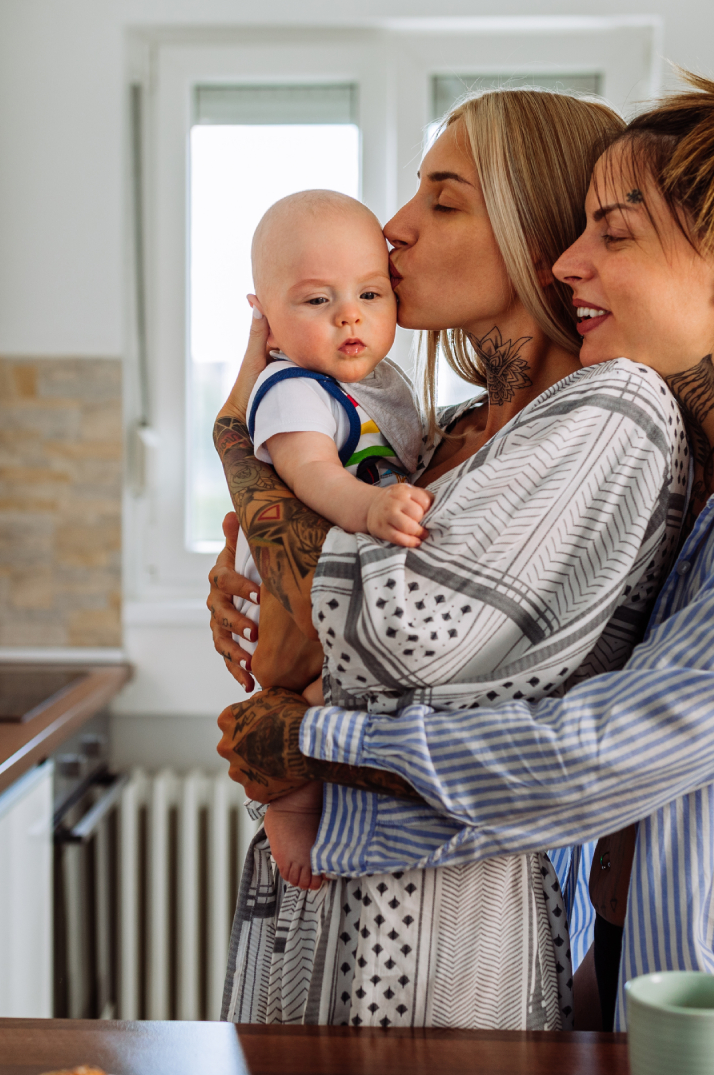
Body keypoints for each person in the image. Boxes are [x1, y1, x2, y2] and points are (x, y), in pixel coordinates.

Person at [211, 44, 714, 1075]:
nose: (566, 262)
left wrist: (319, 739)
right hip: (641, 1013)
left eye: (612, 235)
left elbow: (603, 753)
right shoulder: (694, 476)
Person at [210, 89, 692, 1030]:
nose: (393, 229)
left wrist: (241, 448)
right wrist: (263, 576)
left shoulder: (606, 414)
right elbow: (314, 630)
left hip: (439, 935)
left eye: (443, 199)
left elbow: (395, 636)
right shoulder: (441, 431)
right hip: (311, 906)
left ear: (532, 225)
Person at [230, 189, 431, 891]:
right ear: (270, 326)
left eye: (370, 293)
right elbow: (309, 470)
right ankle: (286, 803)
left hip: (335, 588)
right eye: (317, 301)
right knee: (293, 693)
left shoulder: (380, 384)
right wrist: (373, 509)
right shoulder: (292, 387)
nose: (350, 314)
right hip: (286, 604)